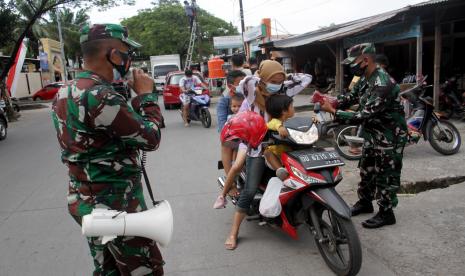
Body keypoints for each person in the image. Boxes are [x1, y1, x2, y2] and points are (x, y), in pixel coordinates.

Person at [51, 24, 164, 275]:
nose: (130, 59)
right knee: (145, 270)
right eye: (127, 52)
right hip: (118, 207)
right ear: (113, 54)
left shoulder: (64, 91)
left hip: (85, 202)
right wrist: (146, 96)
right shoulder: (101, 95)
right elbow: (150, 138)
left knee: (107, 270)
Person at [224, 60, 312, 250]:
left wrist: (286, 77)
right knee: (250, 189)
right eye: (274, 79)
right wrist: (259, 78)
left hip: (283, 143)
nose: (277, 83)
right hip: (257, 147)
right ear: (263, 80)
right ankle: (233, 232)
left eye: (280, 80)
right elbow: (244, 82)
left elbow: (306, 79)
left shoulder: (284, 92)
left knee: (301, 175)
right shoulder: (252, 92)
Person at [321, 43, 408, 229]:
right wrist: (331, 101)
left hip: (389, 136)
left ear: (366, 60)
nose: (352, 66)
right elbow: (351, 98)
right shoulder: (364, 78)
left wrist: (334, 112)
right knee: (367, 169)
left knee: (385, 175)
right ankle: (365, 202)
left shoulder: (382, 83)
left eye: (354, 62)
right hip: (372, 134)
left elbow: (364, 114)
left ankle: (386, 213)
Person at [213, 93, 246, 209]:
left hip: (247, 140)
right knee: (234, 160)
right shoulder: (230, 118)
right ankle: (227, 189)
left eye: (239, 106)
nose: (236, 109)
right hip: (237, 142)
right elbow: (227, 132)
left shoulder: (249, 114)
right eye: (234, 106)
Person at [263, 94, 295, 181]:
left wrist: (312, 121)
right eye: (291, 106)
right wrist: (279, 127)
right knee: (267, 152)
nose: (293, 108)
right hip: (277, 155)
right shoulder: (275, 122)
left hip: (290, 152)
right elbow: (271, 124)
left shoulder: (291, 121)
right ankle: (281, 171)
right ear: (284, 111)